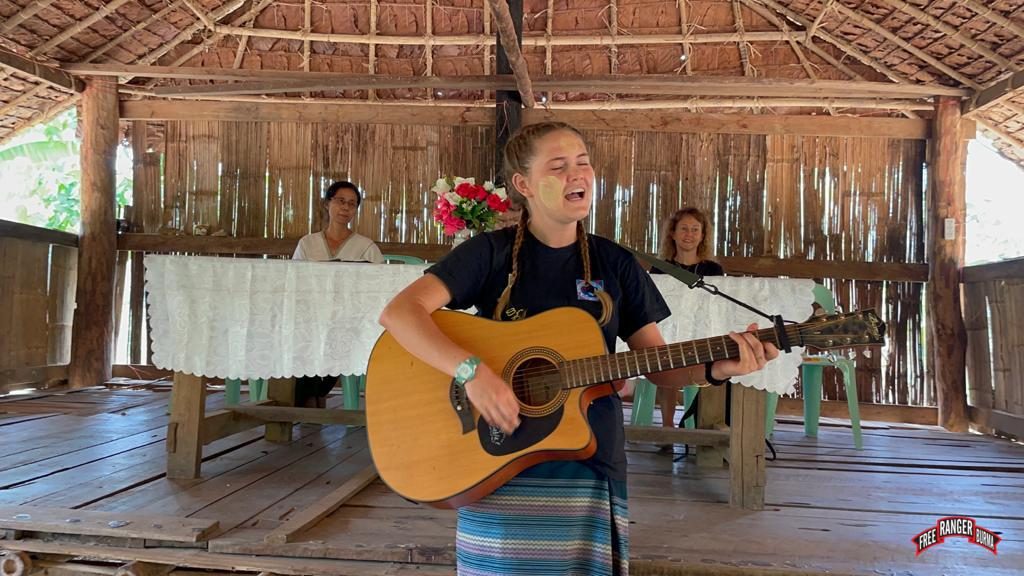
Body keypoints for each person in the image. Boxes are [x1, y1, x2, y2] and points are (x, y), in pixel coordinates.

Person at [378, 122, 778, 575]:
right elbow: (400, 313)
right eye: (559, 166)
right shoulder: (489, 253)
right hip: (496, 455)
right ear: (524, 184)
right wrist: (475, 374)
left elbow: (659, 367)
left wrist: (718, 370)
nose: (578, 174)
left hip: (587, 456)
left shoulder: (617, 263)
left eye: (584, 163)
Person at [293, 180, 384, 408]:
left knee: (341, 335)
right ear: (327, 204)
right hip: (313, 314)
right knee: (307, 334)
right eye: (340, 201)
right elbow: (295, 281)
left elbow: (377, 286)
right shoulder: (308, 244)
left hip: (349, 316)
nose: (345, 208)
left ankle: (315, 394)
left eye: (352, 204)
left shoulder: (366, 247)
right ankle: (311, 397)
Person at [649, 207, 724, 437]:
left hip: (702, 331)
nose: (689, 235)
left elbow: (717, 304)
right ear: (672, 233)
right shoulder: (660, 268)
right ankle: (668, 428)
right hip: (670, 330)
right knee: (665, 360)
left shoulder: (713, 269)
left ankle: (705, 430)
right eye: (684, 229)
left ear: (702, 235)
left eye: (695, 230)